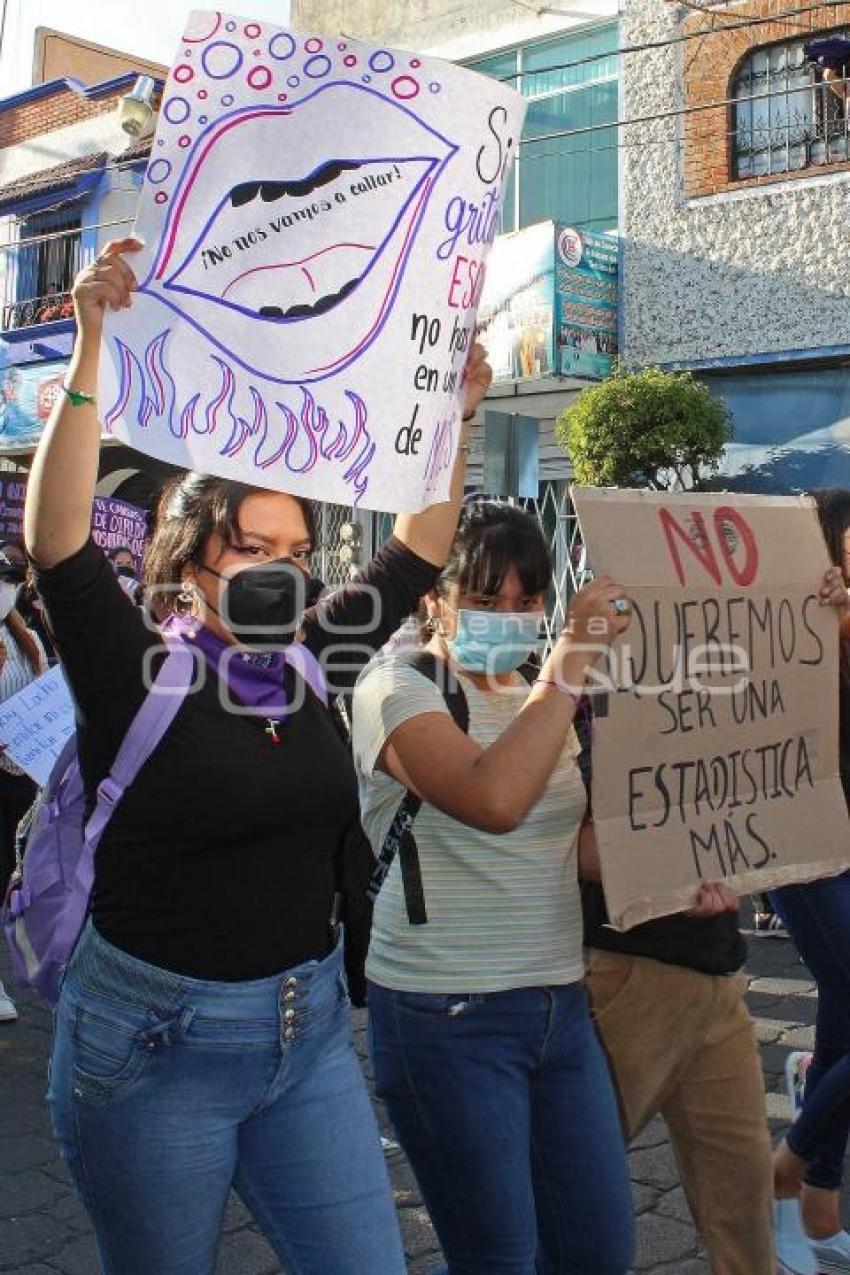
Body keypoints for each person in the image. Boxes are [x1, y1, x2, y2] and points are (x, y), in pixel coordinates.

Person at [24, 236, 492, 1275]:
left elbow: (417, 548)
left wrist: (450, 420)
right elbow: (55, 543)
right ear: (189, 564)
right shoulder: (134, 669)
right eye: (251, 549)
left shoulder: (315, 655)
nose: (279, 571)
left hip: (310, 1028)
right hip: (150, 1049)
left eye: (294, 553)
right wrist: (92, 346)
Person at [352, 501, 636, 1275]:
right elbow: (494, 800)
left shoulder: (535, 692)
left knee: (598, 1246)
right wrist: (571, 658)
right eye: (484, 598)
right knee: (498, 1255)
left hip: (558, 1005)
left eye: (527, 600)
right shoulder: (397, 686)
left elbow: (565, 845)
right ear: (433, 598)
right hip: (448, 1015)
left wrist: (674, 861)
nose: (509, 617)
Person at [580, 556, 849, 1275]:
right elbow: (561, 837)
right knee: (570, 1203)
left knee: (743, 1226)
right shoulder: (589, 683)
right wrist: (672, 859)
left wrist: (830, 614)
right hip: (627, 979)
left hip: (720, 976)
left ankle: (797, 1181)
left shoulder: (775, 656)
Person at [771, 488, 850, 1275]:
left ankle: (817, 1198)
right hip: (799, 846)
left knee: (844, 1006)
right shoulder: (787, 621)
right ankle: (787, 1164)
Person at [0, 549, 48, 1022]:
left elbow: (41, 695)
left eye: (13, 579)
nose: (6, 587)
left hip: (16, 774)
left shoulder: (27, 638)